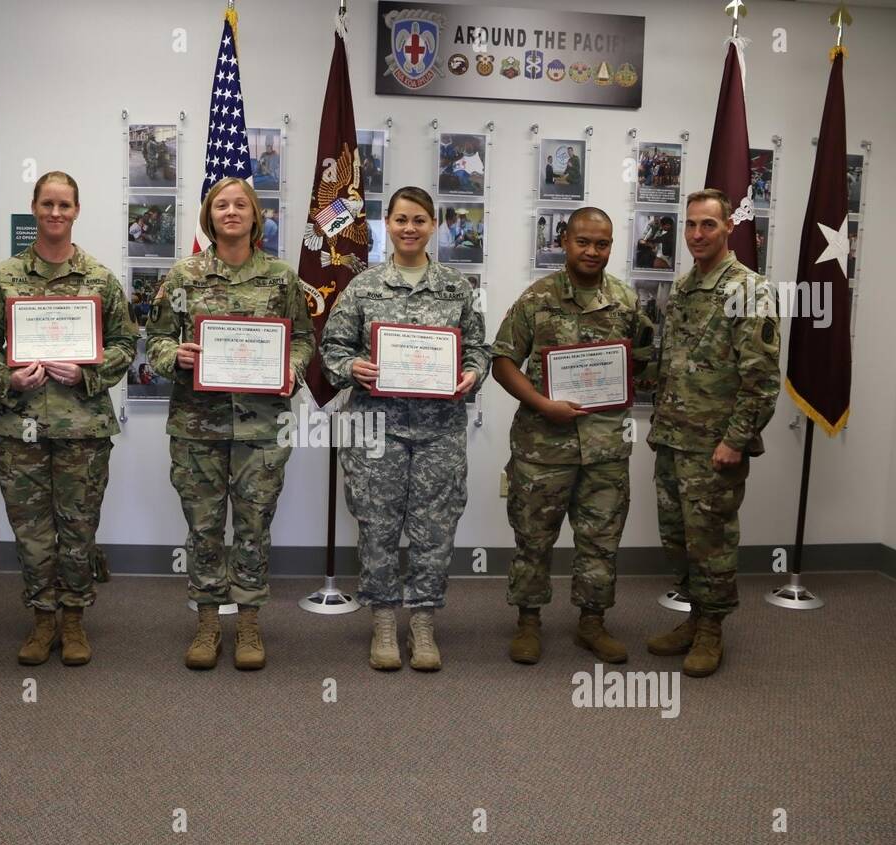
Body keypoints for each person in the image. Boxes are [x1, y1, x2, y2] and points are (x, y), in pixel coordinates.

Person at [145, 176, 314, 671]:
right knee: (203, 528)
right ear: (209, 215)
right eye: (222, 204)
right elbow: (153, 340)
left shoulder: (282, 278)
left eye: (242, 204)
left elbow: (303, 339)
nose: (232, 211)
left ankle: (249, 623)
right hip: (197, 426)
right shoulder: (183, 277)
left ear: (255, 215)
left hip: (261, 429)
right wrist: (174, 353)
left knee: (254, 526)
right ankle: (206, 622)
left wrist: (292, 367)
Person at [320, 186, 491, 672]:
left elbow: (479, 349)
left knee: (435, 527)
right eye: (400, 219)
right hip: (376, 427)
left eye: (419, 219)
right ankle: (383, 621)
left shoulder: (457, 288)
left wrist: (472, 373)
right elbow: (331, 345)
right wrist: (354, 366)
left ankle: (422, 622)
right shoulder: (364, 286)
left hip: (439, 431)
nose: (409, 228)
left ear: (433, 225)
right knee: (377, 524)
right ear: (387, 225)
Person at [0, 171, 138, 666]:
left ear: (76, 211)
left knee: (78, 527)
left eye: (64, 205)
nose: (55, 213)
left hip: (82, 427)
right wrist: (7, 378)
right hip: (18, 424)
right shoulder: (3, 278)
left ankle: (73, 618)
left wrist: (88, 370)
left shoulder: (100, 279)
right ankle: (42, 619)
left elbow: (127, 345)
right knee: (31, 530)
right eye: (47, 204)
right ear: (35, 207)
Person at [491, 207, 655, 665]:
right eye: (583, 241)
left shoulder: (625, 300)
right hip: (543, 446)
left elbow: (642, 360)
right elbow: (502, 360)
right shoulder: (537, 299)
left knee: (601, 539)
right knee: (533, 537)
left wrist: (631, 370)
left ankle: (592, 623)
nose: (592, 251)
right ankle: (528, 622)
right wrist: (542, 403)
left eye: (602, 244)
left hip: (604, 447)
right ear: (565, 241)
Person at [647, 188, 780, 677]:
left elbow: (762, 378)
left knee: (712, 541)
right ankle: (694, 616)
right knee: (677, 539)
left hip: (714, 445)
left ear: (729, 227)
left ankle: (711, 630)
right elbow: (673, 363)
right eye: (691, 225)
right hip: (672, 437)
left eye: (708, 225)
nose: (697, 234)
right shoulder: (684, 287)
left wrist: (735, 441)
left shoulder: (749, 289)